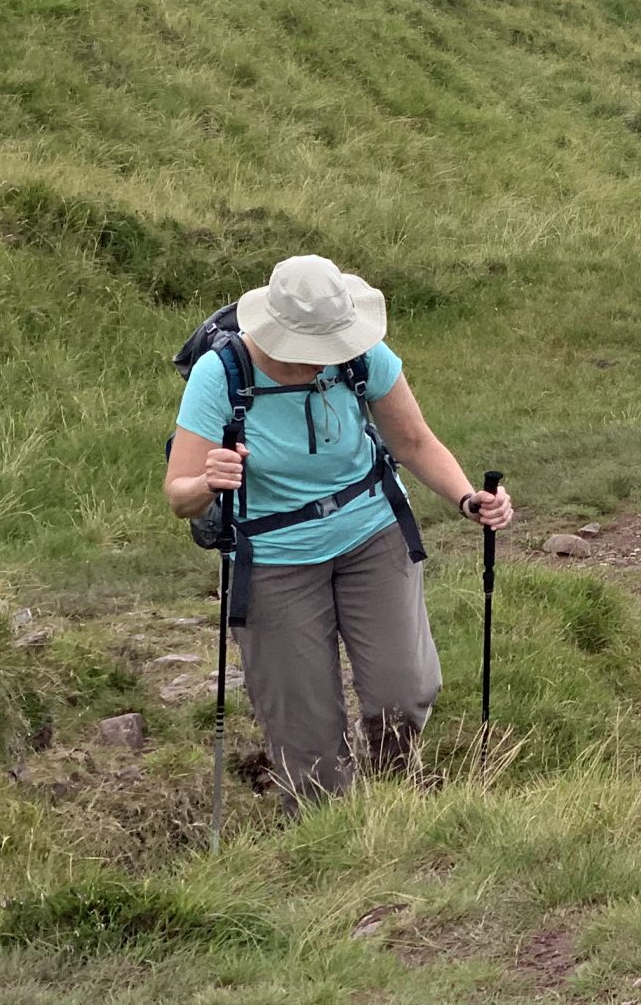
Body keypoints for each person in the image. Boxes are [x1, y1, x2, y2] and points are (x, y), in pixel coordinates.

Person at [164, 253, 514, 808]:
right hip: (275, 554)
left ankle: (398, 798)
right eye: (309, 349)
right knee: (304, 730)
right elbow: (179, 494)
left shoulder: (361, 356)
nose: (322, 360)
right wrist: (209, 482)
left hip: (372, 531)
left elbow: (415, 442)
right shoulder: (221, 374)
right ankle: (329, 833)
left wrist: (468, 498)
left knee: (404, 691)